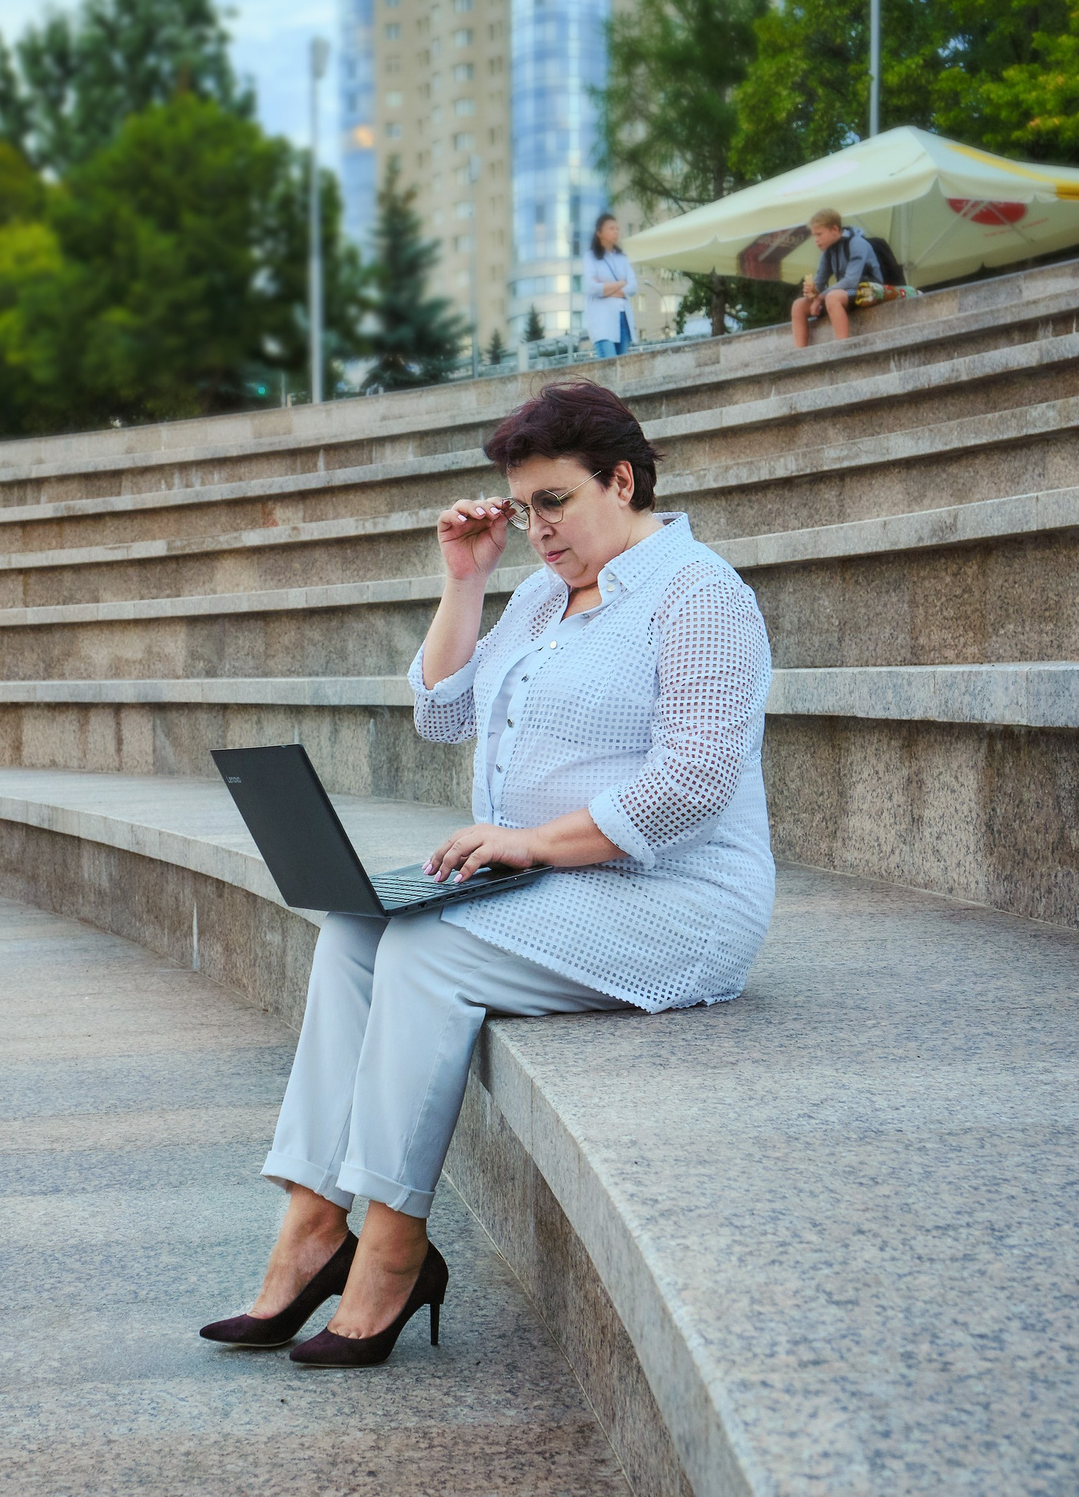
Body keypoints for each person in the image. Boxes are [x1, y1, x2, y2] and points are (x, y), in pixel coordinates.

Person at [200, 379, 776, 1368]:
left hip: (673, 898)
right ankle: (309, 1225)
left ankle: (391, 1248)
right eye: (523, 509)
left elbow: (693, 785)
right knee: (354, 925)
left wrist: (538, 841)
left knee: (429, 948)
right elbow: (442, 712)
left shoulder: (700, 596)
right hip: (548, 886)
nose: (537, 529)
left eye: (553, 501)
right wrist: (465, 579)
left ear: (622, 479)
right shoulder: (548, 594)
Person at [790, 207, 882, 348]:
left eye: (819, 234)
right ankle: (800, 354)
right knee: (798, 305)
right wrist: (812, 292)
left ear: (834, 229)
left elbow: (851, 281)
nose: (816, 240)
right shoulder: (829, 251)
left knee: (832, 297)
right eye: (814, 235)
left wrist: (820, 298)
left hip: (870, 289)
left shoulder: (857, 243)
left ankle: (844, 348)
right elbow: (820, 282)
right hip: (846, 292)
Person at [584, 213, 638, 357]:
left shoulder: (622, 258)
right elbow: (591, 287)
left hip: (623, 318)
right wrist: (620, 283)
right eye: (611, 228)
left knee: (624, 366)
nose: (615, 231)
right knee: (609, 365)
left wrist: (605, 287)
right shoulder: (590, 257)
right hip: (603, 320)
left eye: (617, 228)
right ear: (599, 233)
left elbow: (633, 286)